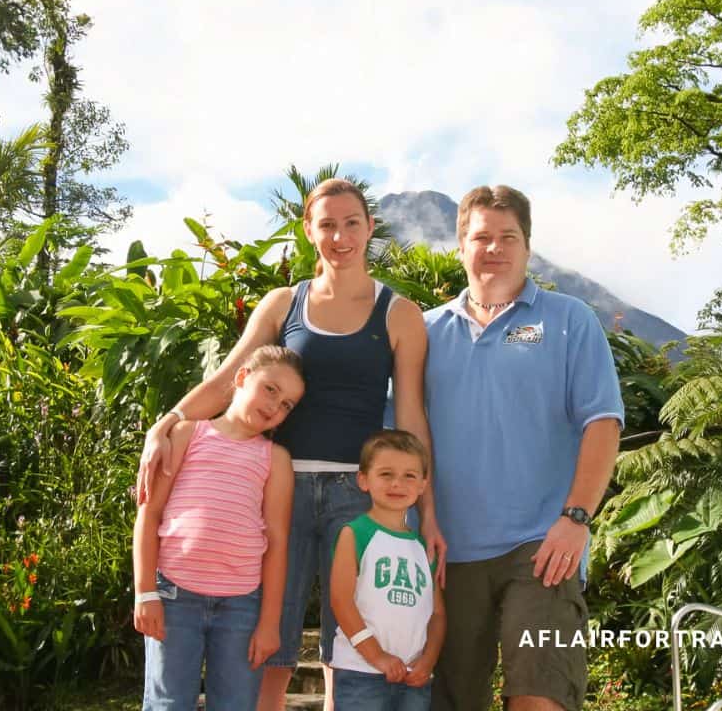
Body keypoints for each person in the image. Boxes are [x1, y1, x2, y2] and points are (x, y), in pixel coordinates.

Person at [137, 178, 445, 711]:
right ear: (309, 231)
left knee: (349, 637)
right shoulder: (284, 303)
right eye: (327, 224)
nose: (340, 236)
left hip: (360, 493)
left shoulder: (399, 314)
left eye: (352, 223)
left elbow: (413, 418)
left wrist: (428, 513)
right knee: (271, 632)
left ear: (370, 228)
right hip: (281, 485)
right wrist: (164, 425)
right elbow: (229, 378)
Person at [423, 186, 624, 711]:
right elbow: (401, 444)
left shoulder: (568, 320)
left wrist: (576, 518)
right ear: (460, 246)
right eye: (481, 237)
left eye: (507, 236)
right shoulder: (423, 333)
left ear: (527, 247)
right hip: (447, 556)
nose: (494, 248)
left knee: (540, 698)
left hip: (542, 551)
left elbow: (603, 423)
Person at [133, 344, 304, 710]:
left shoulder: (275, 459)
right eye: (271, 389)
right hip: (175, 597)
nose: (276, 406)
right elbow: (149, 514)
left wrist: (269, 622)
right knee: (168, 703)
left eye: (287, 404)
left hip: (241, 606)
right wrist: (145, 592)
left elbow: (277, 541)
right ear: (241, 377)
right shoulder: (186, 435)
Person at [329, 430, 446, 711]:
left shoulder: (423, 547)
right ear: (363, 480)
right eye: (385, 474)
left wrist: (428, 661)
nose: (397, 483)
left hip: (412, 679)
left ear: (423, 485)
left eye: (409, 475)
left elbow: (438, 615)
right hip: (362, 674)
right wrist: (377, 656)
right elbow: (341, 601)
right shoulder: (355, 534)